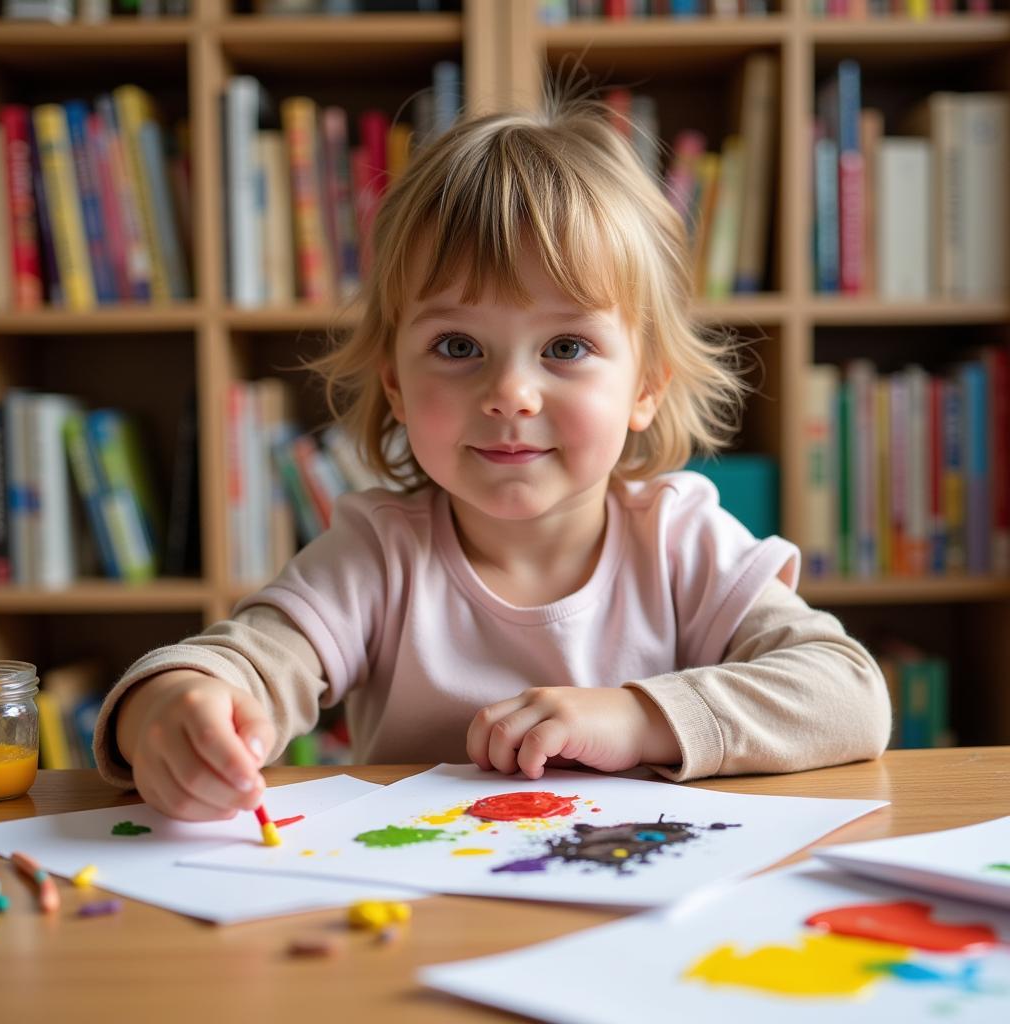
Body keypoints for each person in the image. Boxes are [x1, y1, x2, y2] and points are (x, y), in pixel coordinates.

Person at [93, 94, 890, 821]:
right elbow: (245, 664)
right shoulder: (378, 553)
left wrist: (639, 716)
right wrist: (170, 704)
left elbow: (850, 696)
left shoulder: (680, 540)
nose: (511, 393)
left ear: (645, 385)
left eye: (567, 346)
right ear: (397, 387)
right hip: (414, 921)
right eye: (458, 345)